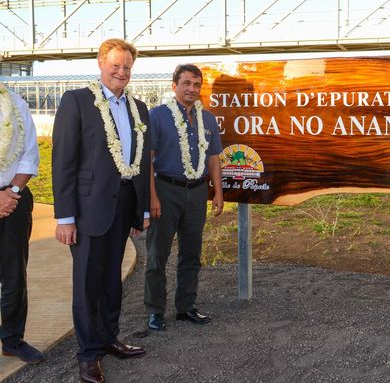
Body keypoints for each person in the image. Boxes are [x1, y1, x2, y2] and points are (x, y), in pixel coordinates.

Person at [52, 38, 150, 383]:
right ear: (100, 62)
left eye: (127, 66)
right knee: (88, 283)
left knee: (112, 280)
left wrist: (141, 212)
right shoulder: (77, 101)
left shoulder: (139, 108)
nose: (121, 71)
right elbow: (63, 161)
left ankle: (109, 339)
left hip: (124, 206)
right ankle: (88, 354)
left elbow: (140, 163)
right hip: (88, 209)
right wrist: (65, 217)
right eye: (116, 64)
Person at [144, 64, 223, 332]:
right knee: (157, 254)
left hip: (197, 192)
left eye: (196, 84)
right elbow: (149, 160)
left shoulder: (208, 119)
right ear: (174, 85)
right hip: (165, 191)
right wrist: (152, 196)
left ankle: (186, 307)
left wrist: (218, 192)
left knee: (192, 253)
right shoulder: (157, 116)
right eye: (186, 83)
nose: (191, 89)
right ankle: (155, 311)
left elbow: (213, 157)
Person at [0, 82, 44, 364]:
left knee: (15, 274)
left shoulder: (16, 102)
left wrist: (11, 193)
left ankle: (12, 340)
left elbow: (30, 154)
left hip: (14, 200)